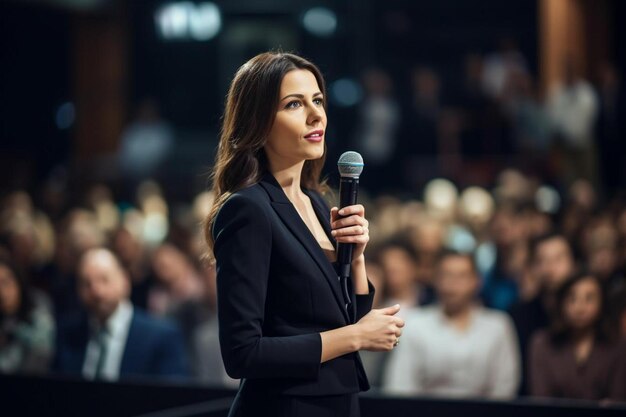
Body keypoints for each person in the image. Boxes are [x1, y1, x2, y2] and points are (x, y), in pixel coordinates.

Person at [204, 52, 405, 417]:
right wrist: (355, 337)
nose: (316, 115)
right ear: (259, 121)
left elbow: (344, 317)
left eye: (317, 100)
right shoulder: (248, 209)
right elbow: (242, 353)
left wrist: (356, 259)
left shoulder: (315, 202)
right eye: (294, 104)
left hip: (335, 403)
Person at [382, 250, 520, 399]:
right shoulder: (415, 323)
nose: (453, 284)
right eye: (446, 276)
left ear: (477, 281)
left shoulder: (498, 325)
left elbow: (504, 387)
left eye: (462, 276)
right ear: (435, 280)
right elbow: (400, 385)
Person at [53, 248, 189, 381]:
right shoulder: (67, 333)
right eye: (86, 283)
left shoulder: (161, 336)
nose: (96, 291)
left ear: (125, 281)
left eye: (104, 280)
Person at [529, 272, 626, 401]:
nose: (580, 307)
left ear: (602, 303)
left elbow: (617, 400)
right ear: (562, 303)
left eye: (589, 298)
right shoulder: (542, 343)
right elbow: (541, 400)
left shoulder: (617, 344)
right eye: (572, 298)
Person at [509, 231, 576, 394]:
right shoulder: (519, 315)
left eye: (558, 259)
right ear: (533, 268)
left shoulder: (590, 313)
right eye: (542, 261)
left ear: (573, 263)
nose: (550, 268)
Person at [0, 259, 54, 374]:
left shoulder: (38, 311)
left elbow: (40, 357)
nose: (2, 291)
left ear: (18, 281)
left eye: (5, 282)